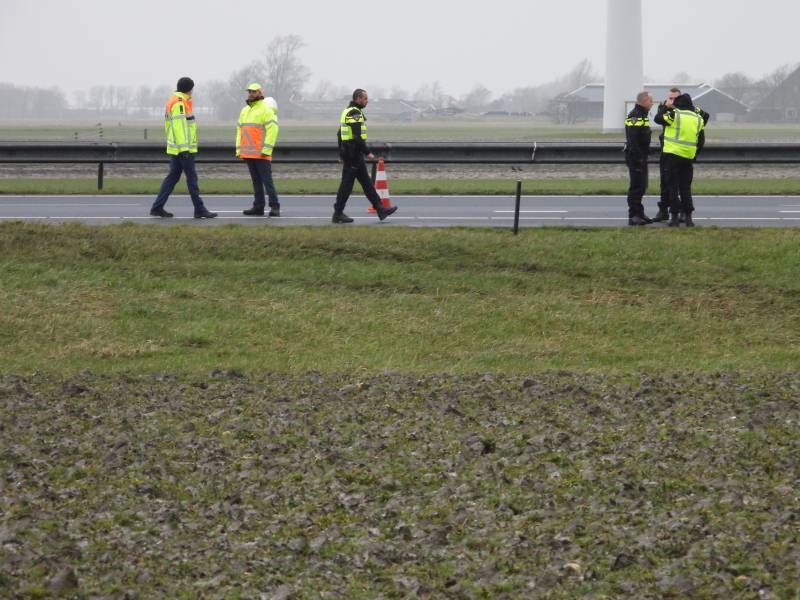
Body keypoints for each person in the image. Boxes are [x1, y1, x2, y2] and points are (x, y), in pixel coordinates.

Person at [150, 77, 217, 218]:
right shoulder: (180, 103)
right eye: (192, 89)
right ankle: (200, 209)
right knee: (192, 179)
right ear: (189, 89)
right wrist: (184, 149)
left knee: (172, 178)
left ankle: (157, 207)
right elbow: (179, 127)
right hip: (183, 150)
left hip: (177, 149)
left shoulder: (175, 101)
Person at [333, 89, 398, 223]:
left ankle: (380, 209)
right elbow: (357, 137)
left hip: (351, 153)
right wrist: (367, 152)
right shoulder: (355, 113)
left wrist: (341, 153)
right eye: (365, 99)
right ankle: (338, 213)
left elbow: (340, 133)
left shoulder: (347, 110)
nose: (366, 101)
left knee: (367, 183)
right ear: (358, 98)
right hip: (353, 154)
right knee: (346, 185)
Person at [653, 87, 710, 222]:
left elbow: (705, 117)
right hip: (669, 150)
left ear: (680, 99)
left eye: (675, 98)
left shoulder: (688, 111)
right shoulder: (665, 107)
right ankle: (664, 210)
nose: (672, 101)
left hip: (679, 152)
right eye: (670, 98)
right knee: (665, 183)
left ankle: (680, 212)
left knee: (678, 185)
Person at [238, 83, 281, 217]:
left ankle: (274, 206)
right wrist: (239, 150)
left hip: (262, 153)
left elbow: (273, 130)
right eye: (250, 91)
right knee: (256, 181)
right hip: (249, 153)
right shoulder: (245, 110)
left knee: (267, 181)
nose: (251, 94)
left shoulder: (266, 109)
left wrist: (267, 150)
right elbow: (240, 131)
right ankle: (258, 206)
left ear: (260, 93)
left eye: (254, 92)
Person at [624, 91, 654, 226]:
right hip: (636, 157)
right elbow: (633, 139)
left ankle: (640, 213)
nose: (652, 103)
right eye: (651, 101)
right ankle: (633, 215)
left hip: (641, 156)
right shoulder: (635, 115)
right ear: (645, 100)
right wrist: (638, 157)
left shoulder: (642, 114)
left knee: (642, 186)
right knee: (636, 187)